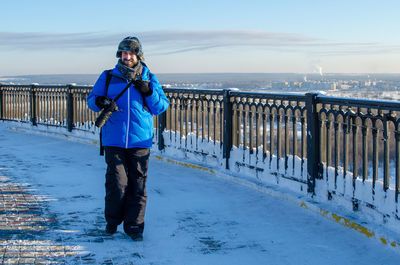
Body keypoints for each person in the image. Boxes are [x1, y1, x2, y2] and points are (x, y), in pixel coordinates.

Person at [87, 36, 169, 241]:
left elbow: (161, 107)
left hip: (140, 140)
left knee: (138, 185)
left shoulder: (149, 77)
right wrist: (100, 100)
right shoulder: (108, 76)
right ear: (119, 55)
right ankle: (112, 222)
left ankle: (134, 227)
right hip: (114, 139)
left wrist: (148, 92)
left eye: (131, 53)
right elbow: (91, 100)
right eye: (124, 53)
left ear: (138, 55)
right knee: (116, 183)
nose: (127, 57)